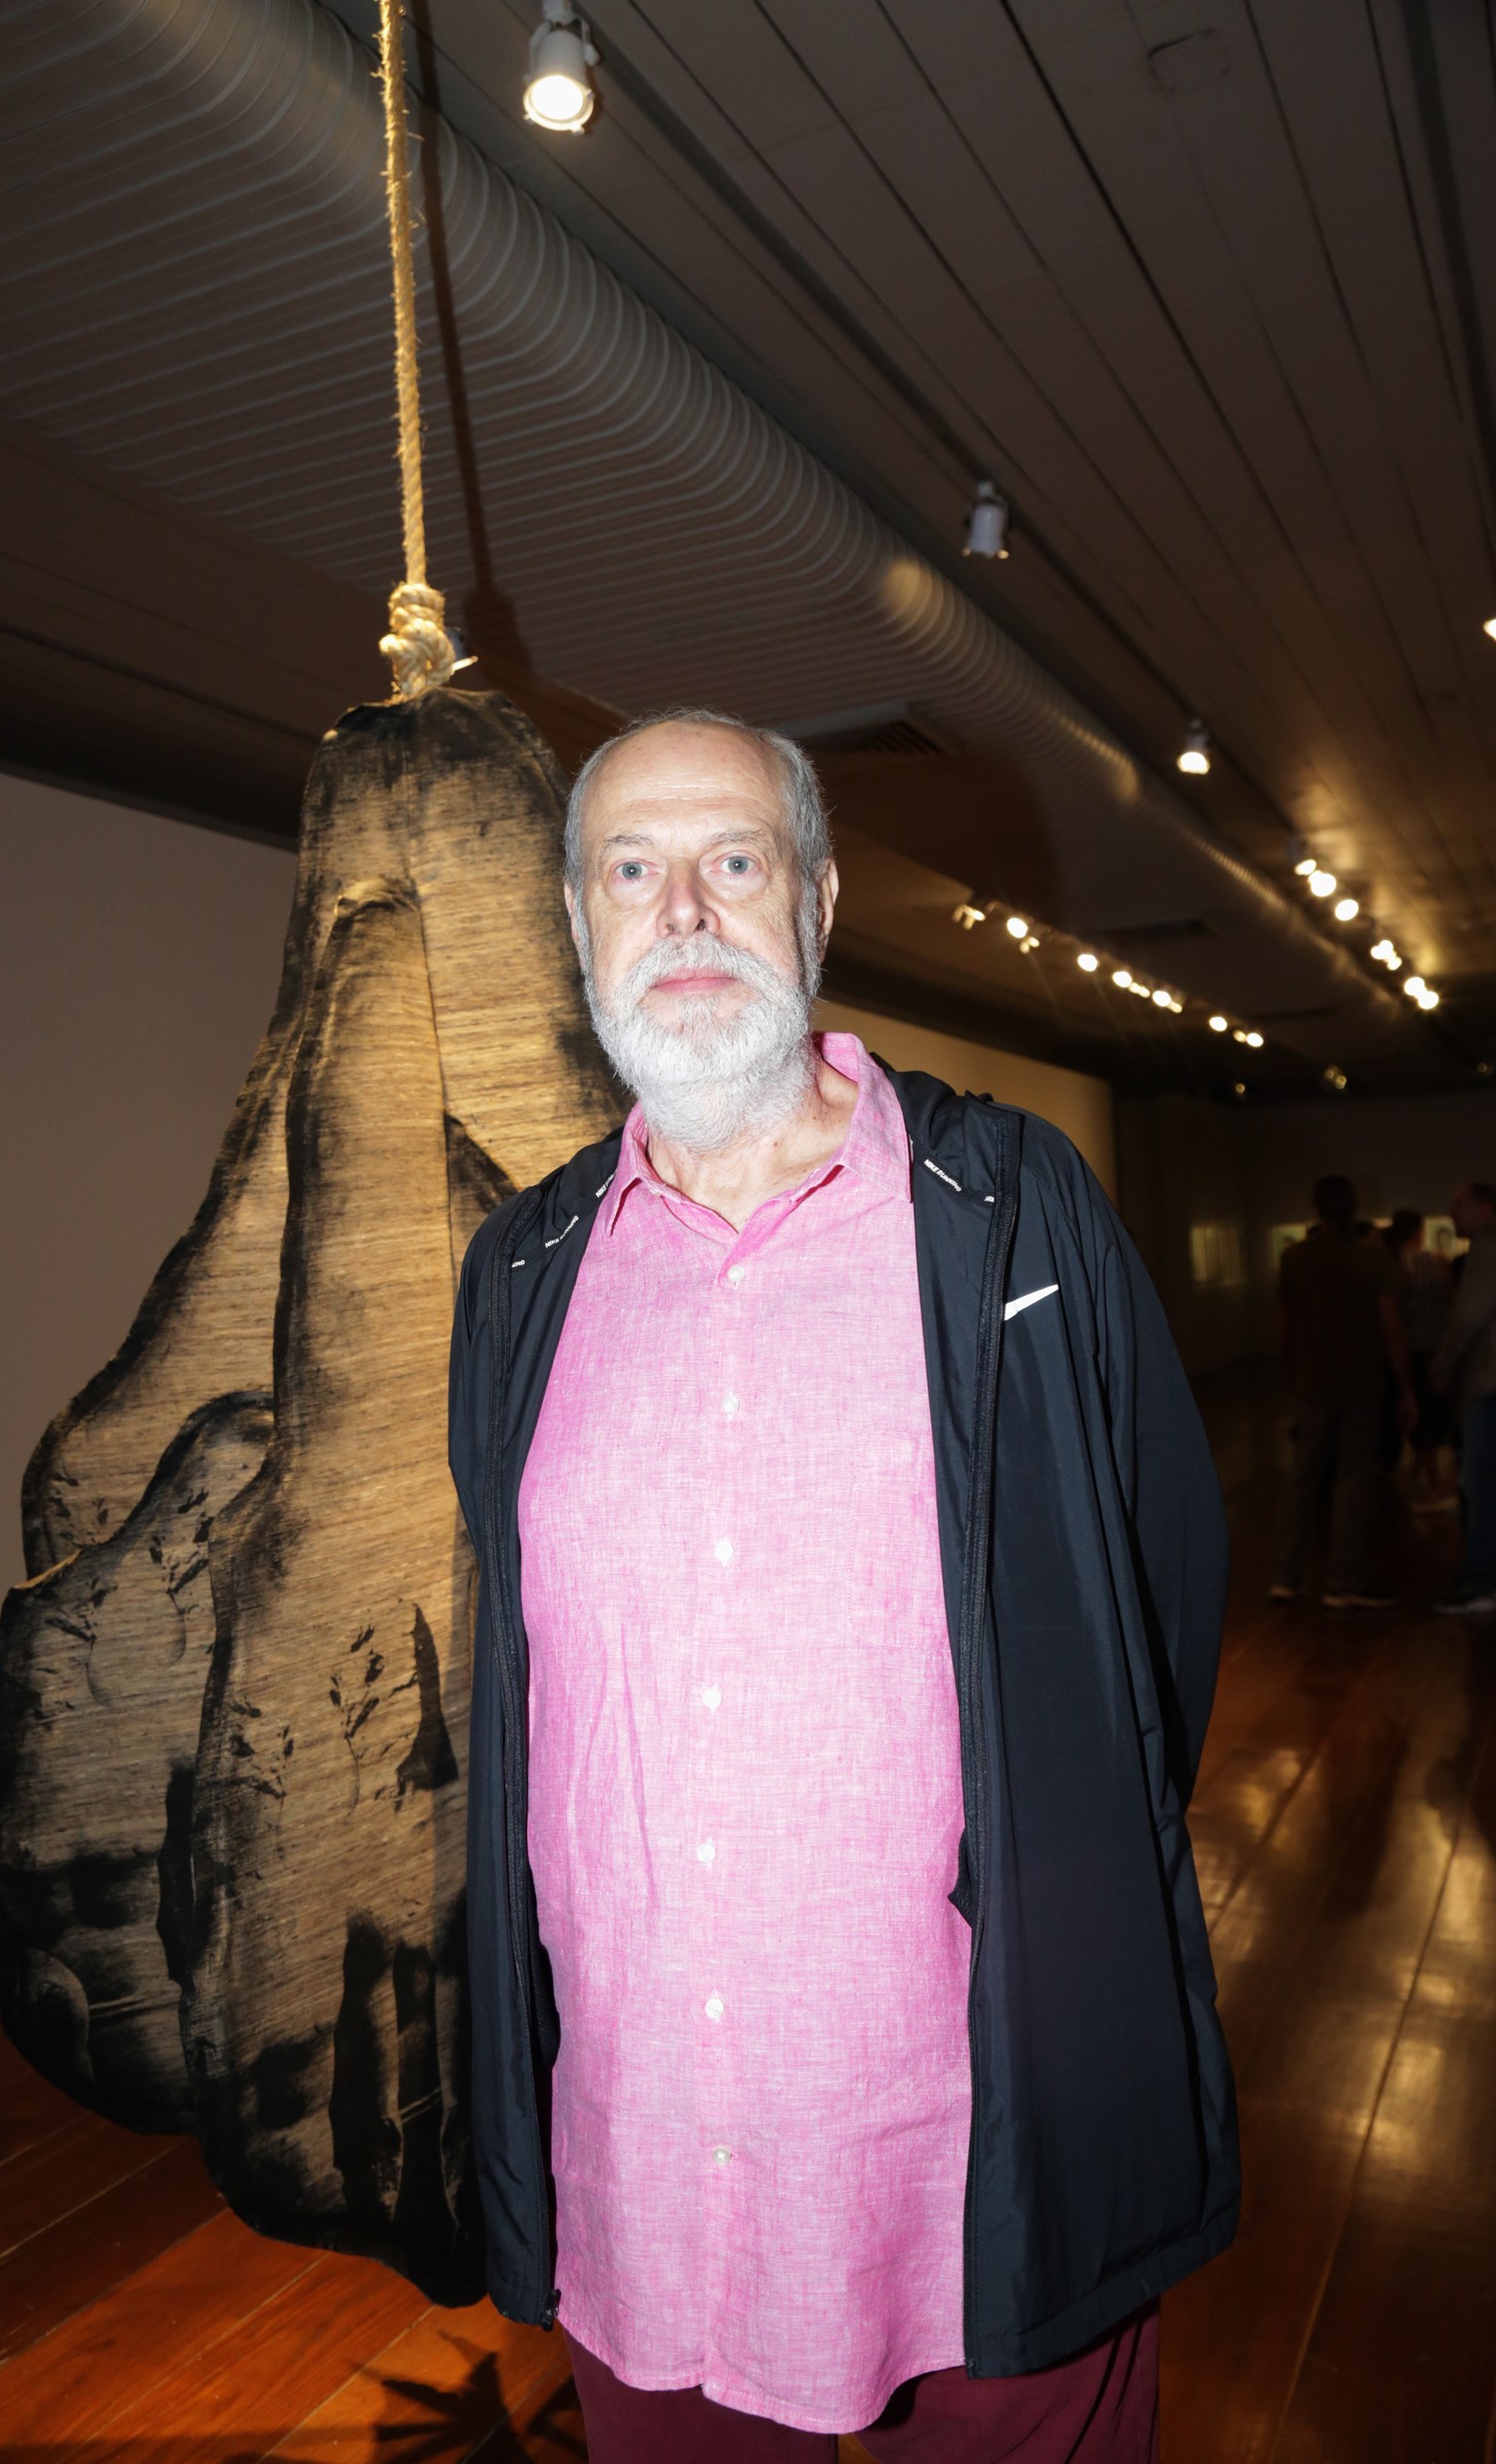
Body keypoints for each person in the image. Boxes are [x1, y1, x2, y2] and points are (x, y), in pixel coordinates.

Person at [447, 711, 1238, 2460]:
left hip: (981, 2141)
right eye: (630, 871)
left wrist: (1060, 1885)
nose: (681, 913)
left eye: (730, 861)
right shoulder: (519, 1274)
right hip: (640, 2158)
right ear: (577, 923)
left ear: (811, 901)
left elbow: (1156, 1601)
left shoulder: (1009, 1213)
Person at [1270, 1175, 1414, 1609]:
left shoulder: (1296, 1258)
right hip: (1361, 1384)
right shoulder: (1372, 1260)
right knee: (1353, 1479)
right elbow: (1392, 1332)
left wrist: (1293, 1374)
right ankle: (1344, 1580)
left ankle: (1287, 1576)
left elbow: (1285, 1328)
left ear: (1316, 1207)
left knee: (1303, 1478)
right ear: (1354, 1205)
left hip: (1314, 1385)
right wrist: (1407, 1388)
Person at [1432, 1181, 1496, 1615]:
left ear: (1485, 1206)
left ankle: (1481, 1580)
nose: (1452, 1212)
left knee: (1480, 1485)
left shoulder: (1488, 1247)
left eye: (1460, 1204)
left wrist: (1444, 1364)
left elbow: (1470, 1314)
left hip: (1488, 1384)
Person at [1385, 1208, 1457, 1508]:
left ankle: (1424, 1474)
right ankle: (1435, 1483)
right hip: (1436, 1348)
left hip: (1409, 1350)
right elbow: (1451, 1302)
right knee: (1433, 1415)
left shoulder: (1394, 1265)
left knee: (1418, 1414)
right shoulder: (1436, 1262)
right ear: (1420, 1231)